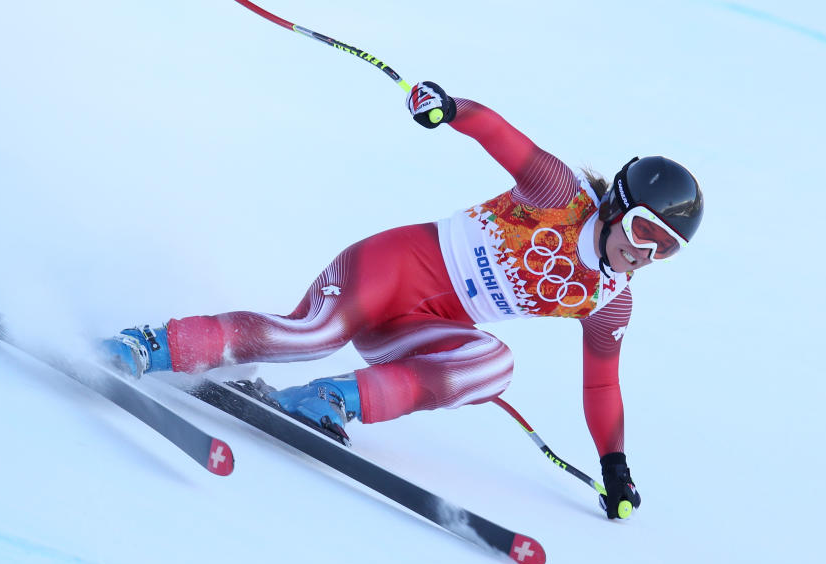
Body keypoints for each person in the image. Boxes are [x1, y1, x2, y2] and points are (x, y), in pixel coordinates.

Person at [102, 82, 704, 520]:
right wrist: (448, 109)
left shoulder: (609, 300)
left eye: (666, 249)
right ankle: (147, 345)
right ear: (619, 206)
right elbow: (497, 132)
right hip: (395, 268)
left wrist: (614, 464)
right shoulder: (559, 194)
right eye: (645, 231)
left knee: (495, 365)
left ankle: (327, 401)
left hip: (424, 324)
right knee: (308, 336)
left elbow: (601, 387)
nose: (646, 254)